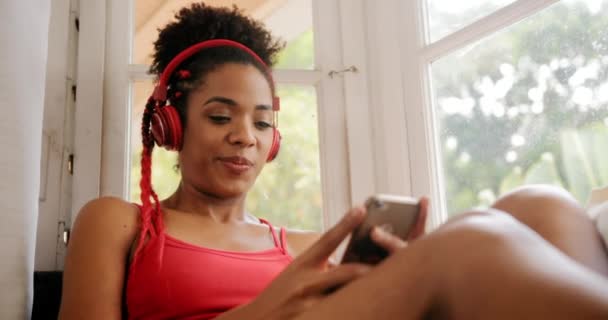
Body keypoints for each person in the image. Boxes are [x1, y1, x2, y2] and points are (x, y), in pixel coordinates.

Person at [59, 3, 608, 319]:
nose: (244, 138)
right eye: (220, 117)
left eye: (261, 122)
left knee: (543, 206)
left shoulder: (302, 247)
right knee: (471, 241)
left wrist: (396, 275)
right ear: (169, 125)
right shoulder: (119, 223)